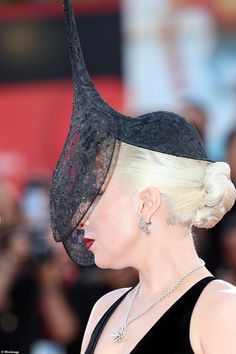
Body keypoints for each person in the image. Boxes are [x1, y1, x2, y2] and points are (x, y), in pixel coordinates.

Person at [50, 1, 236, 353]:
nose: (80, 215)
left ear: (147, 202)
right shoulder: (104, 310)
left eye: (97, 195)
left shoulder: (221, 313)